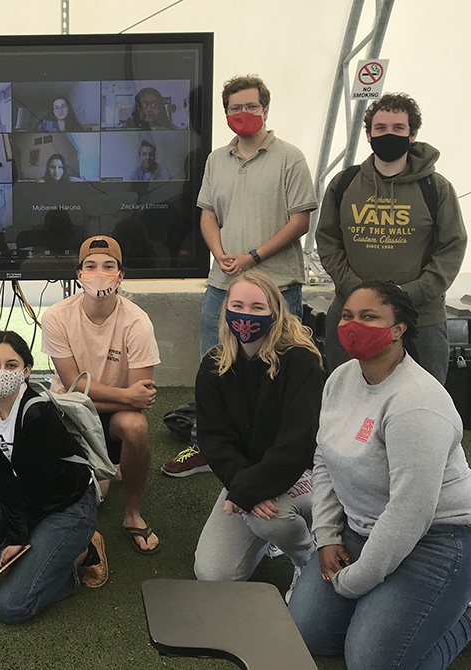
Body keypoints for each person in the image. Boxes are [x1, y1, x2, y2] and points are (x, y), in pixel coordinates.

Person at [288, 281, 471, 669]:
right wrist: (326, 536)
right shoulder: (340, 378)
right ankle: (389, 607)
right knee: (307, 633)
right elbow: (324, 459)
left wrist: (357, 581)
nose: (354, 325)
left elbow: (410, 511)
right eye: (348, 316)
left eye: (369, 317)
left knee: (372, 662)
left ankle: (465, 615)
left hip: (437, 539)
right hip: (362, 528)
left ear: (399, 328)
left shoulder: (417, 403)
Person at [162, 74, 317, 477]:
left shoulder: (290, 157)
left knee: (281, 370)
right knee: (214, 366)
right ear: (226, 112)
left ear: (265, 109)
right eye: (234, 108)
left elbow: (300, 219)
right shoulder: (216, 159)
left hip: (278, 285)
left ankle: (279, 455)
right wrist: (221, 254)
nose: (242, 114)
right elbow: (208, 213)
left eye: (250, 106)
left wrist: (253, 256)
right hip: (222, 285)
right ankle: (206, 445)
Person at [0, 331, 107, 625]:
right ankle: (35, 558)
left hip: (66, 504)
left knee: (12, 608)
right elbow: (1, 472)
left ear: (26, 371)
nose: (0, 372)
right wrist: (19, 531)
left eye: (11, 365)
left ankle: (79, 555)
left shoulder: (37, 414)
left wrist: (19, 535)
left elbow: (37, 487)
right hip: (27, 499)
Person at [317, 93, 467, 384]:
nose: (389, 134)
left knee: (422, 405)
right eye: (381, 127)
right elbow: (328, 241)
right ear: (368, 134)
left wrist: (405, 296)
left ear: (412, 134)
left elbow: (451, 249)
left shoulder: (436, 188)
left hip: (420, 321)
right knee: (347, 402)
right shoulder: (344, 184)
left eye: (398, 128)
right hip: (352, 318)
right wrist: (360, 293)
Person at [193, 272, 324, 598]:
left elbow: (297, 443)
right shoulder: (213, 365)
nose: (246, 314)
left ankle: (308, 558)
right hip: (248, 478)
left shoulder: (301, 361)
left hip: (302, 473)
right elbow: (213, 440)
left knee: (271, 519)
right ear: (225, 310)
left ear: (275, 312)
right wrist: (244, 486)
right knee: (212, 574)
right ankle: (266, 540)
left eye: (256, 307)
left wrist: (246, 492)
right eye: (238, 305)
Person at [41, 235, 162, 554]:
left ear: (121, 275)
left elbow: (142, 397)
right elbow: (74, 389)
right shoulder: (56, 316)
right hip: (70, 412)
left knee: (135, 427)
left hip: (112, 416)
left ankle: (133, 514)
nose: (99, 273)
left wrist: (127, 400)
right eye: (91, 266)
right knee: (93, 497)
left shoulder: (138, 322)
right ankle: (107, 469)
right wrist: (126, 397)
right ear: (79, 274)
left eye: (109, 266)